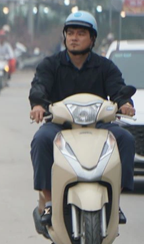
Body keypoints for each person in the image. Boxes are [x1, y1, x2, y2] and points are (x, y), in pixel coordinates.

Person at [28, 12, 135, 229]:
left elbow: (118, 88)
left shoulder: (105, 66)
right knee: (40, 139)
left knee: (125, 139)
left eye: (81, 33)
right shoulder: (50, 64)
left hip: (98, 126)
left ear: (92, 39)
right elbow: (39, 86)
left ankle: (115, 201)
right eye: (70, 33)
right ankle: (48, 201)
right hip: (60, 125)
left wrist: (124, 103)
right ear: (64, 36)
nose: (74, 38)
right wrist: (38, 105)